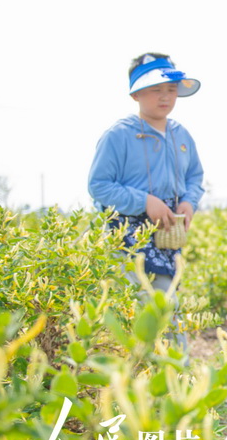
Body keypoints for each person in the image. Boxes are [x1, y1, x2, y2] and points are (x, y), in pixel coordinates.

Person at [88, 53, 205, 302]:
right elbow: (99, 186)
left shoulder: (181, 135)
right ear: (135, 94)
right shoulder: (118, 135)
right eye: (155, 89)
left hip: (167, 234)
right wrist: (145, 202)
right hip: (126, 238)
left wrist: (188, 202)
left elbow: (195, 177)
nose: (165, 96)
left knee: (165, 304)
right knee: (156, 306)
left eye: (171, 89)